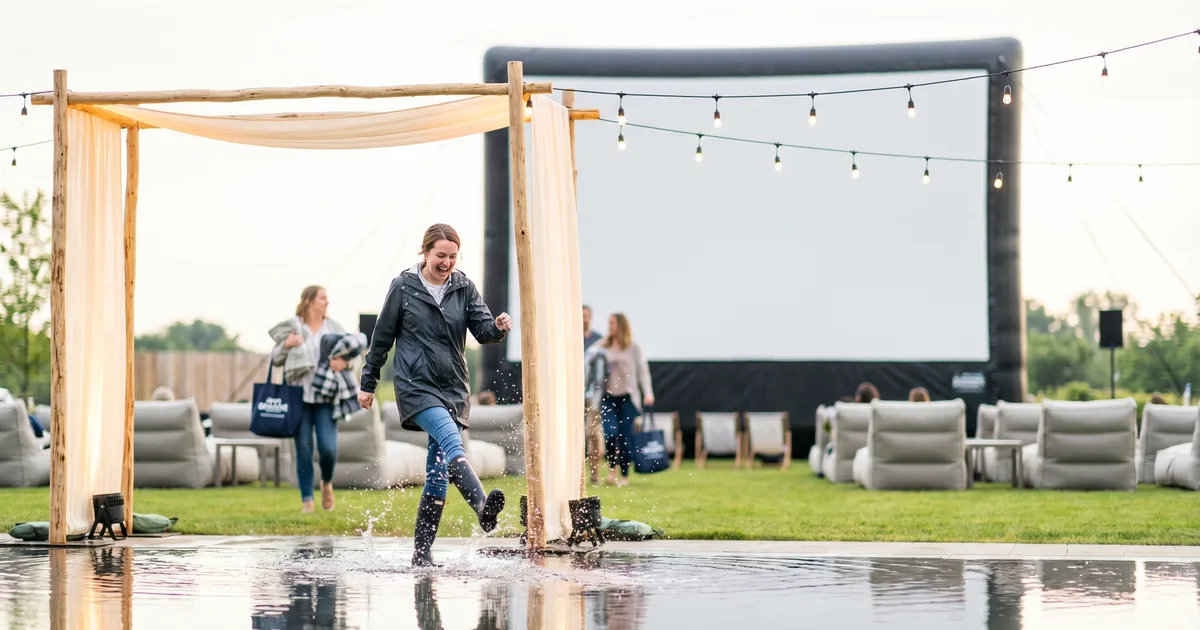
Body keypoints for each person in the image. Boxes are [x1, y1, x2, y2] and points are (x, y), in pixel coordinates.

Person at [357, 223, 511, 567]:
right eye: (440, 255)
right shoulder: (404, 287)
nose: (446, 263)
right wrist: (369, 383)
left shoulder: (463, 286)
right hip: (416, 386)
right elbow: (381, 338)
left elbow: (482, 330)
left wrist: (498, 328)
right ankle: (483, 507)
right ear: (425, 252)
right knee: (450, 442)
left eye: (453, 256)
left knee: (439, 469)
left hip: (453, 388)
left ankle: (421, 554)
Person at [269, 285, 353, 513]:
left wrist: (344, 363)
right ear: (309, 301)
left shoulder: (333, 327)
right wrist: (286, 345)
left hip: (326, 397)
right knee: (303, 448)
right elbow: (275, 359)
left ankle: (326, 483)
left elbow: (351, 354)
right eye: (323, 297)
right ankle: (307, 500)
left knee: (328, 448)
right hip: (299, 398)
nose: (327, 301)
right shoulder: (293, 327)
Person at [598, 312, 654, 487]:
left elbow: (643, 372)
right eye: (609, 323)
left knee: (625, 436)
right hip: (608, 397)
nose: (609, 326)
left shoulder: (633, 347)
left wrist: (648, 393)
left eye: (613, 323)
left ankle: (623, 474)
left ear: (621, 325)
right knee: (610, 433)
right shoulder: (603, 346)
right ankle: (611, 470)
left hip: (627, 398)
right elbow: (590, 363)